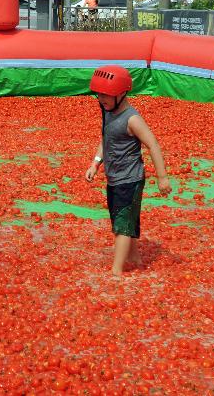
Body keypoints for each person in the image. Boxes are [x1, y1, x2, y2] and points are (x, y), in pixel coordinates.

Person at [84, 66, 171, 276]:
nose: (101, 98)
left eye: (106, 94)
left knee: (122, 224)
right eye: (99, 93)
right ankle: (134, 257)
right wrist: (95, 163)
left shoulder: (132, 119)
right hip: (113, 178)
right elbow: (106, 140)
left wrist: (162, 177)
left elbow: (153, 144)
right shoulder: (108, 113)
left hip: (130, 180)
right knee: (122, 219)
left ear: (122, 94)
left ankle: (116, 270)